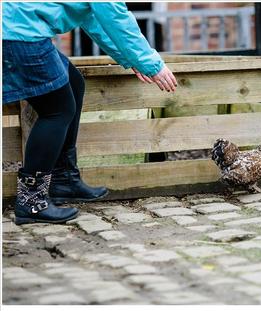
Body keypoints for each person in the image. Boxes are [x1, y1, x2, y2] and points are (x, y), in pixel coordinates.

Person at [2, 2, 177, 225]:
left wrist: (131, 58)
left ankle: (64, 179)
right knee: (57, 111)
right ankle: (31, 201)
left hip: (19, 30)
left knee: (73, 83)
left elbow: (94, 20)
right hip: (20, 34)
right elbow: (116, 18)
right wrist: (152, 64)